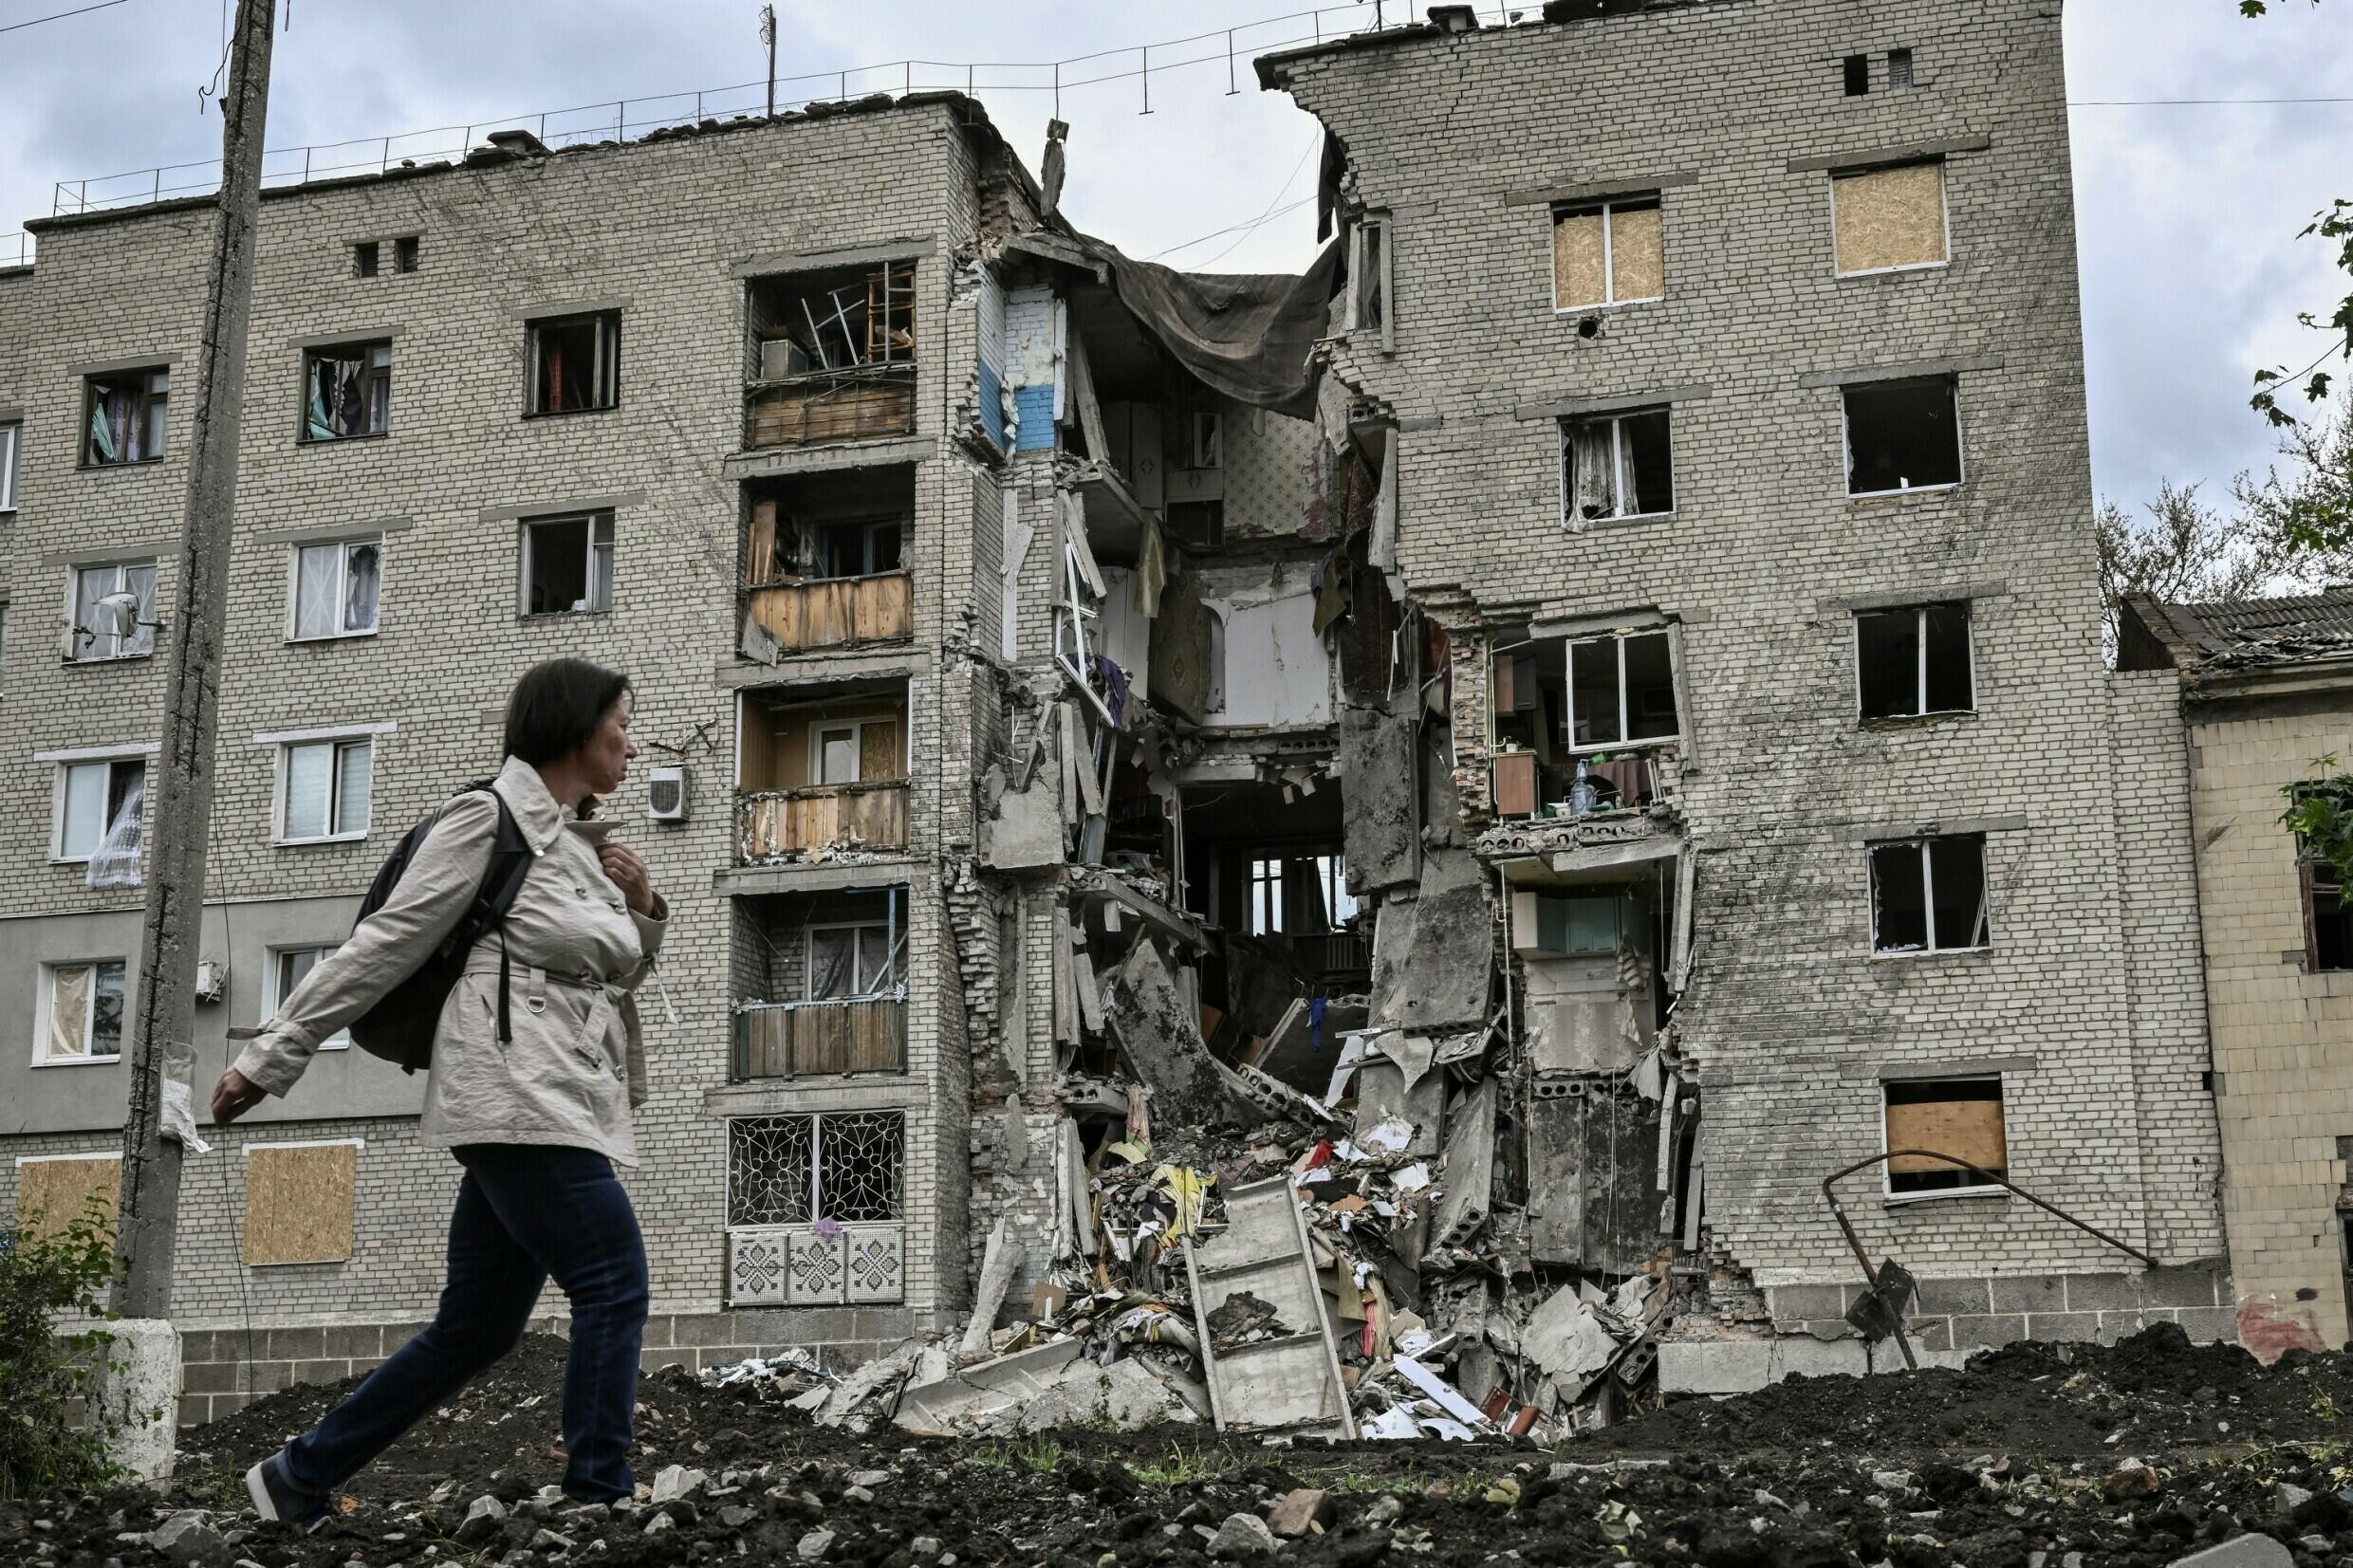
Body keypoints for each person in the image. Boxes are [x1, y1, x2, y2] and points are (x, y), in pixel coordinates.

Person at [213, 658, 669, 1527]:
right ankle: (599, 1491)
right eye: (620, 721)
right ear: (576, 726)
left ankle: (297, 1476)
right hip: (514, 1091)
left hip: (562, 1090)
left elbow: (619, 965)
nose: (631, 741)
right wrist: (272, 1054)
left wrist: (642, 903)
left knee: (479, 1326)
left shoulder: (579, 850)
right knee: (613, 1276)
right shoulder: (486, 819)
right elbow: (383, 943)